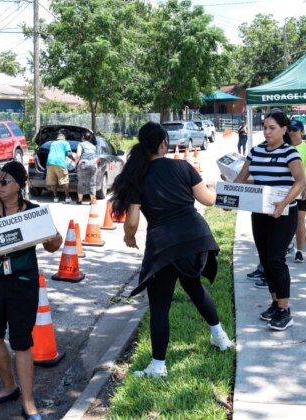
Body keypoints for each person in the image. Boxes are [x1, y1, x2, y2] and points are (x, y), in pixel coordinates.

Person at [111, 121, 233, 378]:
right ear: (163, 144)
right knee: (194, 288)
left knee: (159, 305)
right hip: (196, 238)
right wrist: (214, 186)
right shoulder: (182, 166)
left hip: (164, 246)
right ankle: (220, 337)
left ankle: (158, 367)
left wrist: (128, 238)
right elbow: (208, 200)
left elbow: (131, 222)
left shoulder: (138, 176)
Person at [0, 161, 63, 420]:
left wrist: (55, 240)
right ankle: (9, 387)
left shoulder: (33, 213)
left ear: (19, 186)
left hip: (23, 282)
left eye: (4, 181)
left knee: (22, 341)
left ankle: (29, 402)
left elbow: (52, 247)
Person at [233, 110, 306, 331]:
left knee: (276, 260)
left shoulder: (290, 153)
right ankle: (275, 303)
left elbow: (300, 181)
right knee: (266, 260)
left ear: (284, 130)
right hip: (260, 214)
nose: (267, 131)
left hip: (283, 214)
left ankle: (285, 311)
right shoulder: (255, 152)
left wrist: (283, 204)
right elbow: (241, 179)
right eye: (264, 127)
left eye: (272, 128)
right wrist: (228, 198)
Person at [287, 120, 306, 263]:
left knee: (299, 220)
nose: (292, 132)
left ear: (302, 131)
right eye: (290, 129)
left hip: (301, 190)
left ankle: (299, 251)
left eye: (295, 129)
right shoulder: (284, 147)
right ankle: (287, 244)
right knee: (284, 220)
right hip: (285, 189)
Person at [46, 132, 75, 203]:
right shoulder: (65, 143)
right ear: (64, 139)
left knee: (53, 181)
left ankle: (55, 198)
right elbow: (69, 154)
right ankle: (67, 197)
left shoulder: (52, 143)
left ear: (57, 139)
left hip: (50, 163)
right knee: (64, 180)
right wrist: (75, 160)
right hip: (60, 162)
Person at [74, 131, 98, 204]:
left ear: (83, 137)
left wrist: (75, 163)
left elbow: (78, 155)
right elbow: (95, 156)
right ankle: (92, 201)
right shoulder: (93, 146)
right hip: (93, 163)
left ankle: (80, 200)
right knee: (92, 182)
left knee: (81, 182)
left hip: (84, 163)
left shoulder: (80, 144)